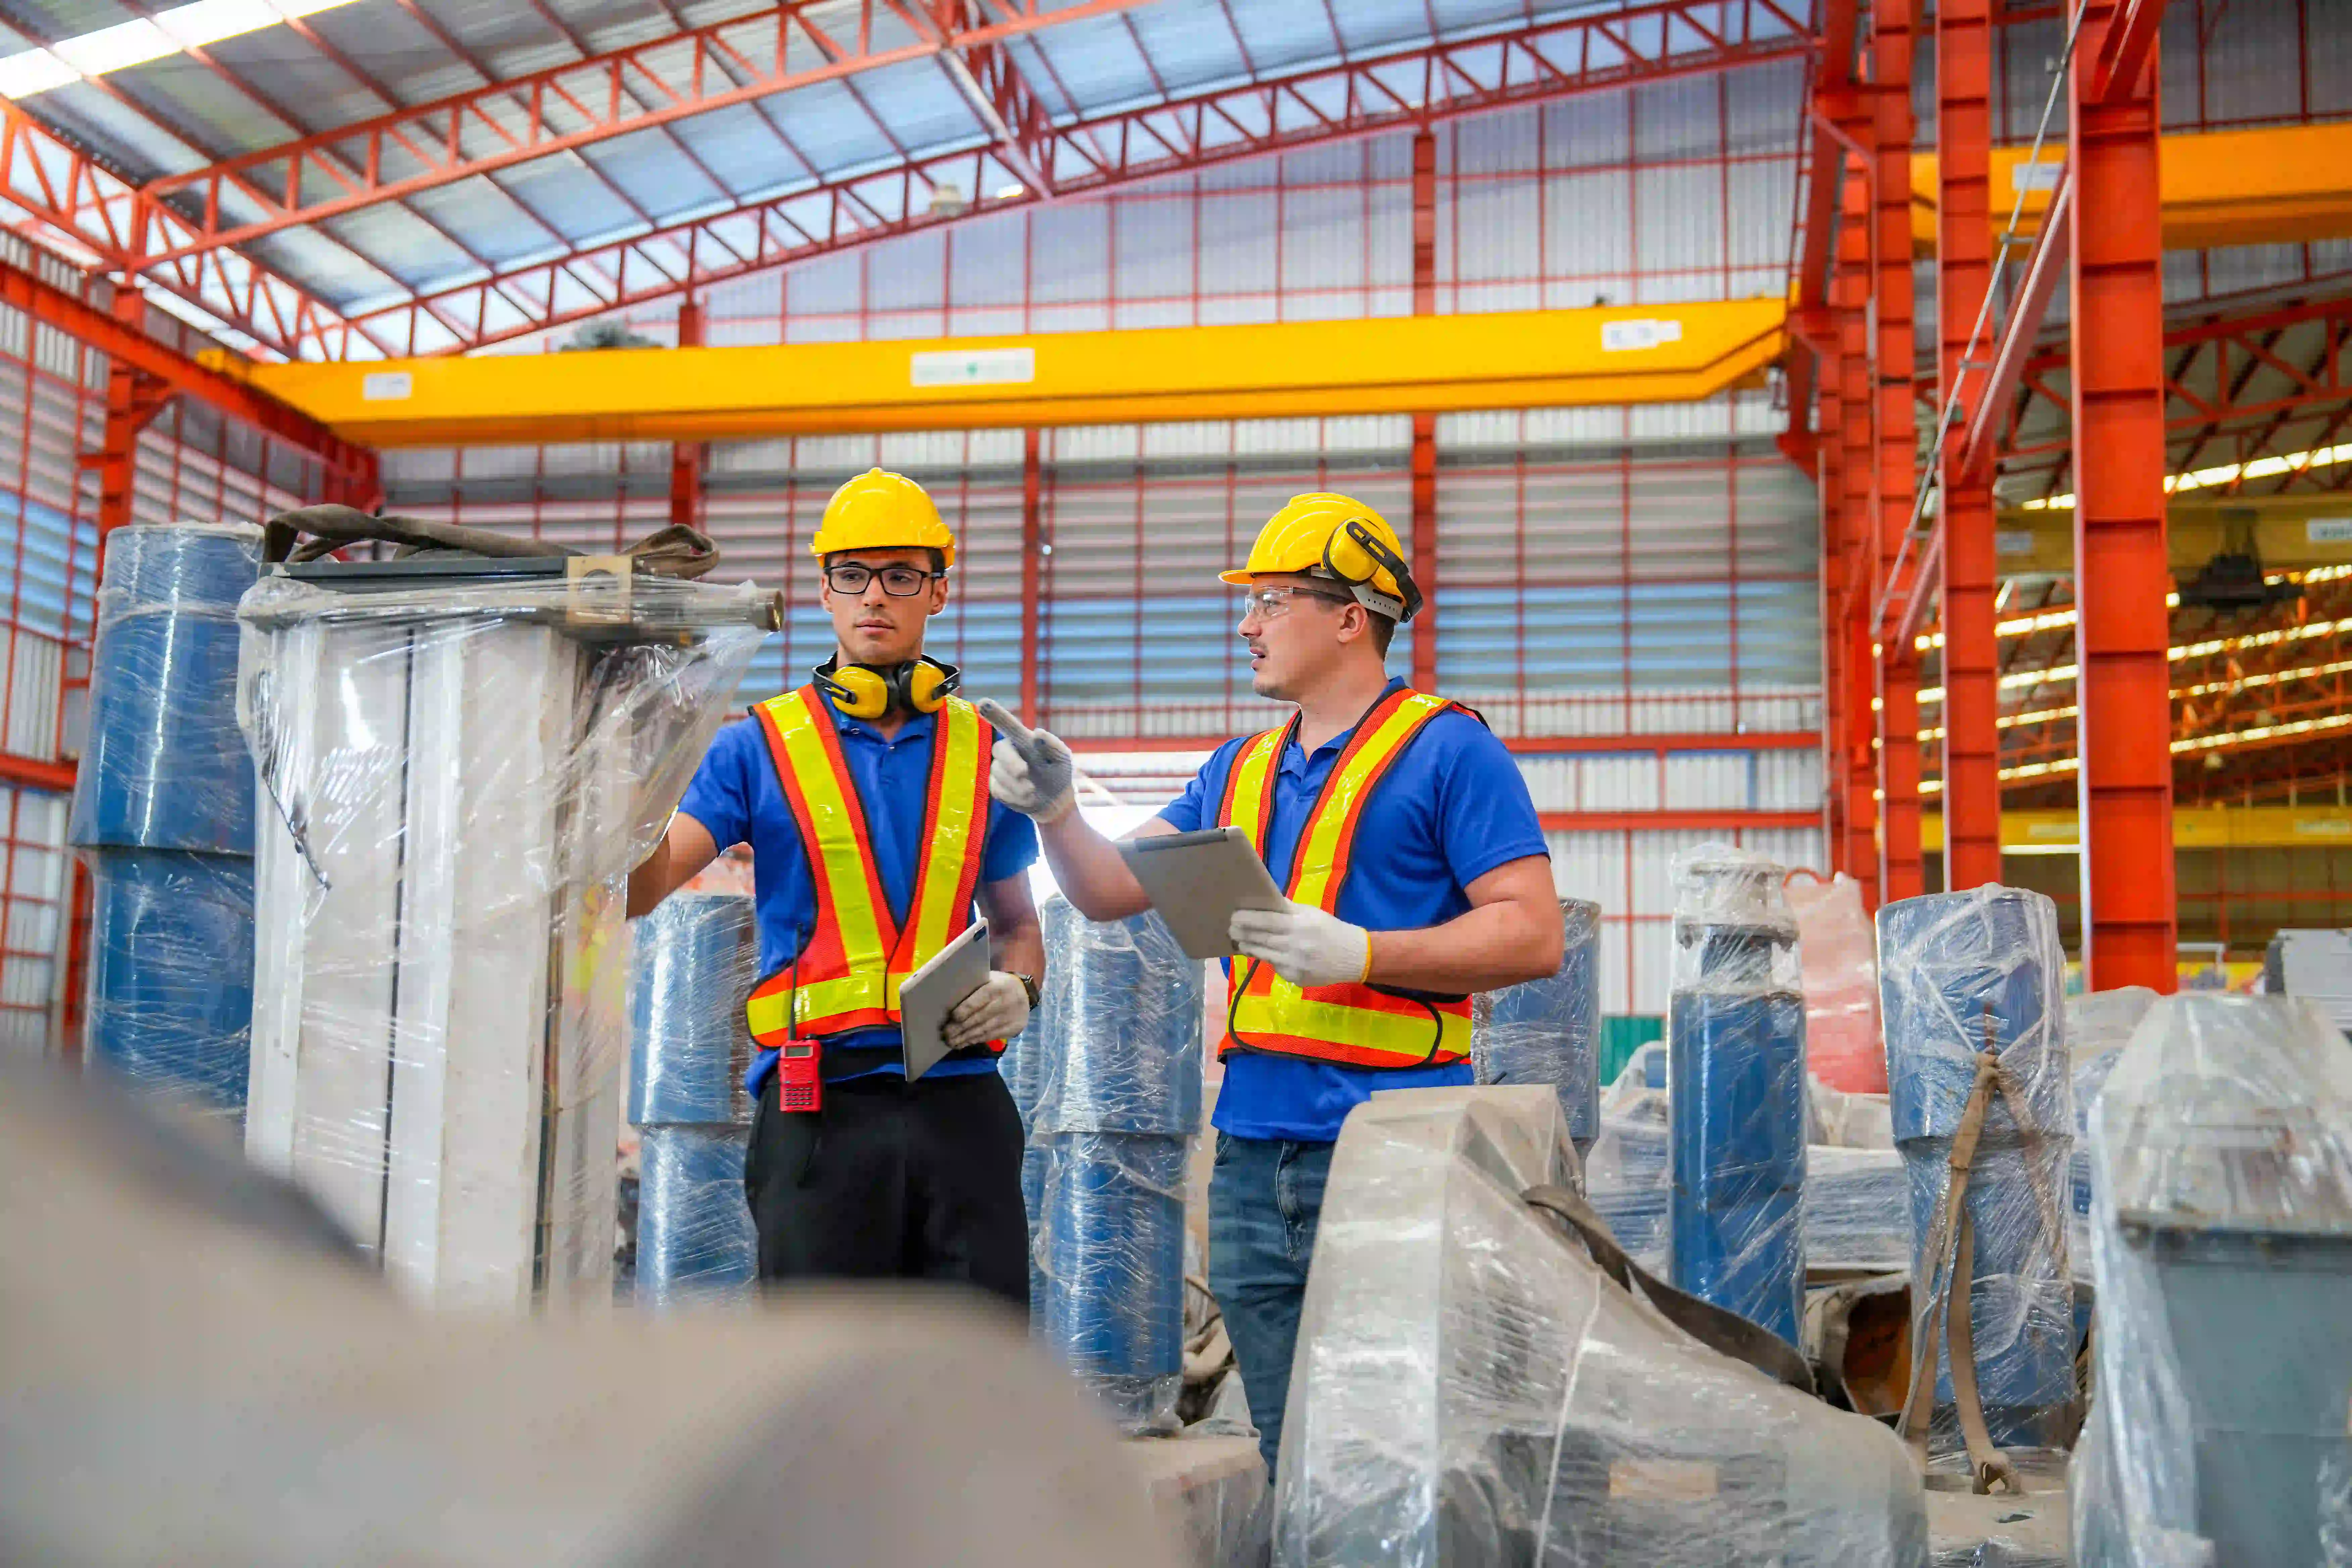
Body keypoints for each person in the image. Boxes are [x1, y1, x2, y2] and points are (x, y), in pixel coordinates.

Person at [982, 492, 1564, 1476]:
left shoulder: (1451, 750)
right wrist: (1057, 814)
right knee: (1293, 1445)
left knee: (1398, 1445)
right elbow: (1107, 891)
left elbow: (1534, 932)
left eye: (1273, 600)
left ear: (1351, 617)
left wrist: (1367, 955)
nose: (1246, 624)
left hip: (1390, 1146)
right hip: (1255, 1153)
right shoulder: (1238, 768)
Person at [629, 468, 1044, 1307]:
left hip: (962, 1102)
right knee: (824, 1387)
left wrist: (1022, 988)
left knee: (979, 1380)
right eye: (852, 575)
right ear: (825, 591)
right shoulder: (759, 746)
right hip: (816, 1112)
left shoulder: (984, 750)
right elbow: (641, 888)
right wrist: (628, 754)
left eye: (900, 575)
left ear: (939, 591)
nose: (875, 597)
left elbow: (1018, 925)